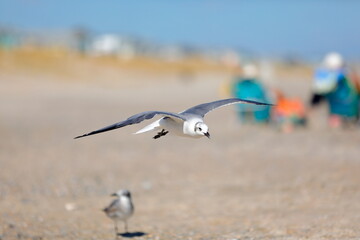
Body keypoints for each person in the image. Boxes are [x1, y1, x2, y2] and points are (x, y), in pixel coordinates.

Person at [310, 52, 360, 128]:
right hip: (352, 112)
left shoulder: (326, 77)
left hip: (337, 113)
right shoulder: (348, 75)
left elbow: (317, 94)